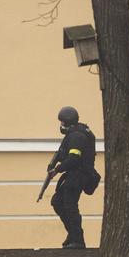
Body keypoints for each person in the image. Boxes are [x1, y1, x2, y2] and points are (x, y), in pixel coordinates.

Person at [49, 106, 96, 249]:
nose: (61, 126)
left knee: (70, 206)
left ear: (68, 122)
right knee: (57, 202)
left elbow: (74, 158)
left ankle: (77, 240)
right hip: (73, 175)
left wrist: (57, 169)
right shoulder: (77, 132)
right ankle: (73, 235)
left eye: (62, 122)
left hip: (78, 175)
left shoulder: (77, 136)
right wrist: (53, 162)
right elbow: (64, 154)